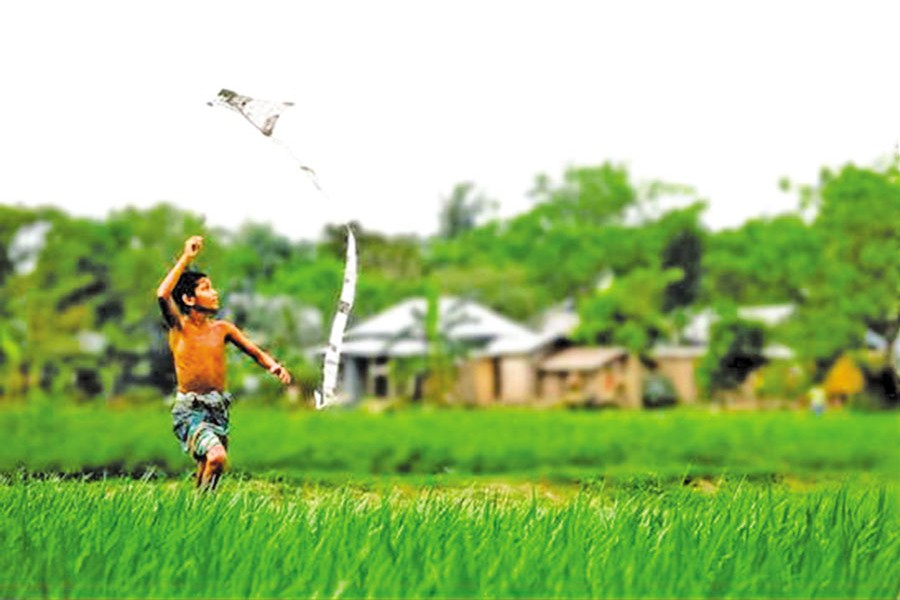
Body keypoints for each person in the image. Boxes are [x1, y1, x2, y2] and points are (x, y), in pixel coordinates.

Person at [157, 235, 292, 490]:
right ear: (188, 299)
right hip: (191, 409)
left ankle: (198, 513)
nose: (214, 292)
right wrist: (187, 257)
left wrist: (272, 365)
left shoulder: (222, 329)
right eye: (206, 288)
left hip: (218, 409)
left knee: (209, 470)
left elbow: (254, 351)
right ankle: (202, 511)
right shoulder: (180, 327)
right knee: (217, 457)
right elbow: (163, 294)